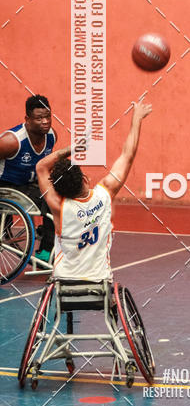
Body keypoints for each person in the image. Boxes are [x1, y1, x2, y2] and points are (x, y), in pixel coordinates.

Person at [36, 100, 151, 281]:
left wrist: (74, 148)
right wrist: (136, 118)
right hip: (99, 279)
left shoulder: (58, 205)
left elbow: (41, 166)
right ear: (84, 179)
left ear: (59, 190)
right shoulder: (104, 194)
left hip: (63, 280)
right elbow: (128, 155)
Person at [0, 94, 57, 262]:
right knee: (50, 197)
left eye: (48, 116)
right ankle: (47, 246)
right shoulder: (11, 141)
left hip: (29, 184)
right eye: (39, 118)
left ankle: (47, 247)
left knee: (58, 190)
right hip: (7, 187)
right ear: (27, 119)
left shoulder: (51, 136)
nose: (45, 121)